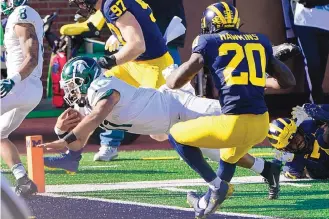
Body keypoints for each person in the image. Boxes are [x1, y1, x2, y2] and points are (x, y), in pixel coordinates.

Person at [40, 56, 290, 199]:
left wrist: (65, 139)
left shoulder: (101, 88)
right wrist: (61, 132)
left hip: (178, 105)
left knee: (238, 113)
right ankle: (268, 168)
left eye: (72, 84)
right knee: (220, 152)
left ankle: (267, 81)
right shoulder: (88, 104)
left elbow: (98, 115)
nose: (70, 90)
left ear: (85, 80)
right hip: (168, 122)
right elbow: (80, 141)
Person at [164, 2, 296, 218]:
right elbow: (288, 81)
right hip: (261, 124)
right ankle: (207, 202)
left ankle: (216, 186)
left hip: (233, 123)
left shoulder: (208, 40)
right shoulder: (260, 40)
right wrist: (265, 62)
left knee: (176, 135)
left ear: (211, 23)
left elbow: (177, 81)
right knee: (229, 156)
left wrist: (170, 78)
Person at [46, 0, 175, 165]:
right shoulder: (109, 5)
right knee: (94, 93)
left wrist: (107, 61)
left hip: (155, 65)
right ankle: (72, 156)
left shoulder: (111, 4)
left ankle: (199, 137)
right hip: (132, 64)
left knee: (159, 133)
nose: (80, 4)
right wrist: (117, 35)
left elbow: (138, 45)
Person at [0, 0, 44, 197]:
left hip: (20, 86)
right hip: (29, 89)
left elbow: (31, 58)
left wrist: (13, 80)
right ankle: (23, 180)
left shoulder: (21, 13)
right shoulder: (23, 14)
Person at [268, 104, 329, 179]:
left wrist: (318, 113)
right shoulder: (293, 162)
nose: (297, 141)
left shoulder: (308, 125)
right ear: (285, 149)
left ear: (298, 130)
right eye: (291, 142)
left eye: (295, 136)